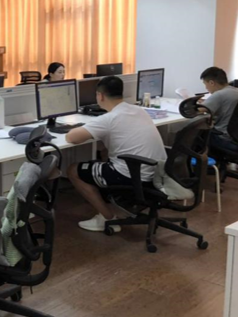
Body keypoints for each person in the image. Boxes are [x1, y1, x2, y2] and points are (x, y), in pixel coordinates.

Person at [65, 76, 167, 232]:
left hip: (133, 177)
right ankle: (117, 203)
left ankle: (107, 218)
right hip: (157, 174)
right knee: (104, 152)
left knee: (73, 170)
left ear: (100, 96)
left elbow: (71, 138)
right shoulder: (138, 110)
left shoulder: (109, 118)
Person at [199, 66, 238, 153]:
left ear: (211, 83)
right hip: (234, 138)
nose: (206, 88)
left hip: (223, 138)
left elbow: (199, 110)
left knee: (192, 134)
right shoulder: (235, 91)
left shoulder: (219, 94)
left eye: (205, 84)